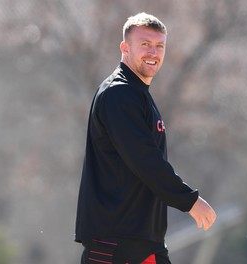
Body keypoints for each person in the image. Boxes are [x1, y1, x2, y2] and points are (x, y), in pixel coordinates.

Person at [75, 12, 216, 264]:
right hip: (115, 243)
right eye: (145, 45)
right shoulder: (119, 93)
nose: (153, 52)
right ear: (124, 48)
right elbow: (144, 159)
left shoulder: (138, 94)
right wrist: (189, 200)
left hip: (142, 242)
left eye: (159, 46)